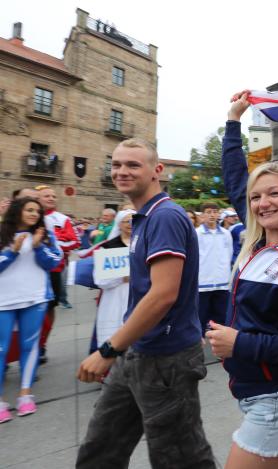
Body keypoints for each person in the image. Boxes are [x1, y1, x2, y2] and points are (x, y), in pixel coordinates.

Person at [76, 138, 215, 468]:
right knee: (100, 449)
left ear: (157, 170)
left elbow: (163, 295)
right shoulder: (142, 217)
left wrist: (108, 349)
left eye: (133, 165)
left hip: (166, 360)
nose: (122, 171)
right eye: (116, 165)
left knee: (180, 459)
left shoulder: (164, 216)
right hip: (137, 352)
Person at [208, 98, 278, 468]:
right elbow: (237, 178)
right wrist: (232, 121)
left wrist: (241, 344)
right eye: (256, 197)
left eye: (274, 193)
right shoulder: (254, 243)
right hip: (251, 393)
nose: (262, 203)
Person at [0, 197, 62, 423]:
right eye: (29, 209)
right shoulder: (2, 233)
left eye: (37, 211)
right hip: (3, 301)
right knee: (1, 348)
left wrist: (37, 247)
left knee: (29, 346)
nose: (35, 214)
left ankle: (25, 394)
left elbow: (54, 262)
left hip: (35, 299)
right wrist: (12, 252)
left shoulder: (44, 234)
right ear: (17, 211)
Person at [91, 210, 135, 354]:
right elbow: (100, 279)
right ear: (119, 224)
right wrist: (122, 278)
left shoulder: (144, 244)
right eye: (126, 221)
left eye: (133, 221)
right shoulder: (108, 246)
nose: (130, 224)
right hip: (115, 298)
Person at [37, 186, 79, 309]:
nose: (51, 199)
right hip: (33, 266)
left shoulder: (63, 219)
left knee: (52, 303)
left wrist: (52, 245)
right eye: (47, 196)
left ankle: (63, 300)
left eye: (54, 196)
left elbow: (75, 241)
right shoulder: (30, 216)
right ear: (38, 199)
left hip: (56, 266)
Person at [196, 202, 233, 330]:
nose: (212, 215)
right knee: (201, 315)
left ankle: (219, 344)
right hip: (203, 282)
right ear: (202, 216)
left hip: (222, 282)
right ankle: (199, 343)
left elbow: (229, 254)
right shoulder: (197, 233)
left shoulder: (226, 233)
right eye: (208, 212)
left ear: (218, 214)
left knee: (220, 316)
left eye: (214, 212)